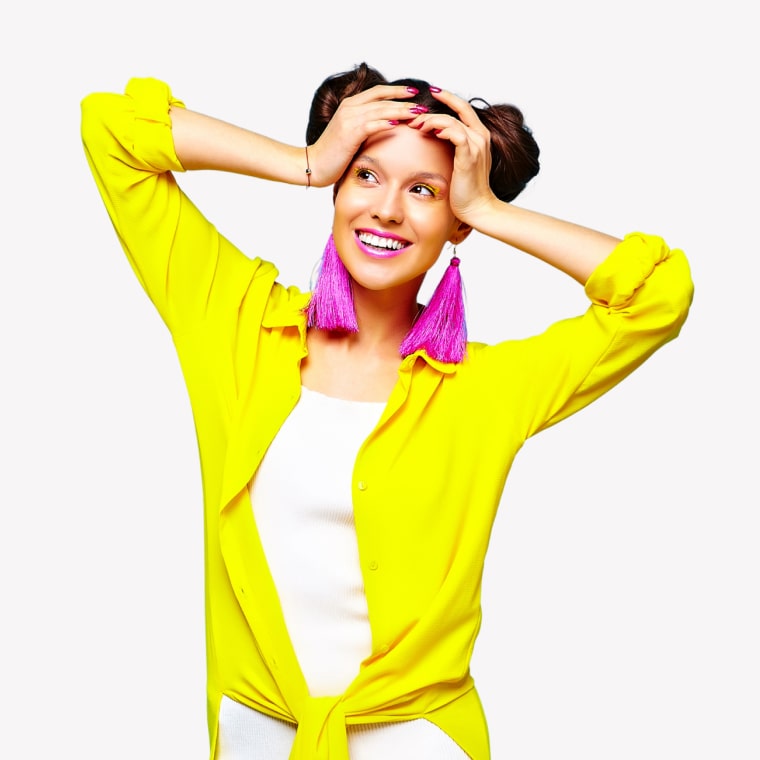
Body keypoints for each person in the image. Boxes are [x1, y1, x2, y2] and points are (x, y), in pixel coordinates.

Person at [80, 62, 693, 760]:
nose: (388, 210)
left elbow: (658, 295)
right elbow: (112, 129)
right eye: (366, 175)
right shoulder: (237, 326)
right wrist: (306, 162)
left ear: (454, 221)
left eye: (424, 190)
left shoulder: (486, 389)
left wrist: (487, 209)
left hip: (419, 739)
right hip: (255, 728)